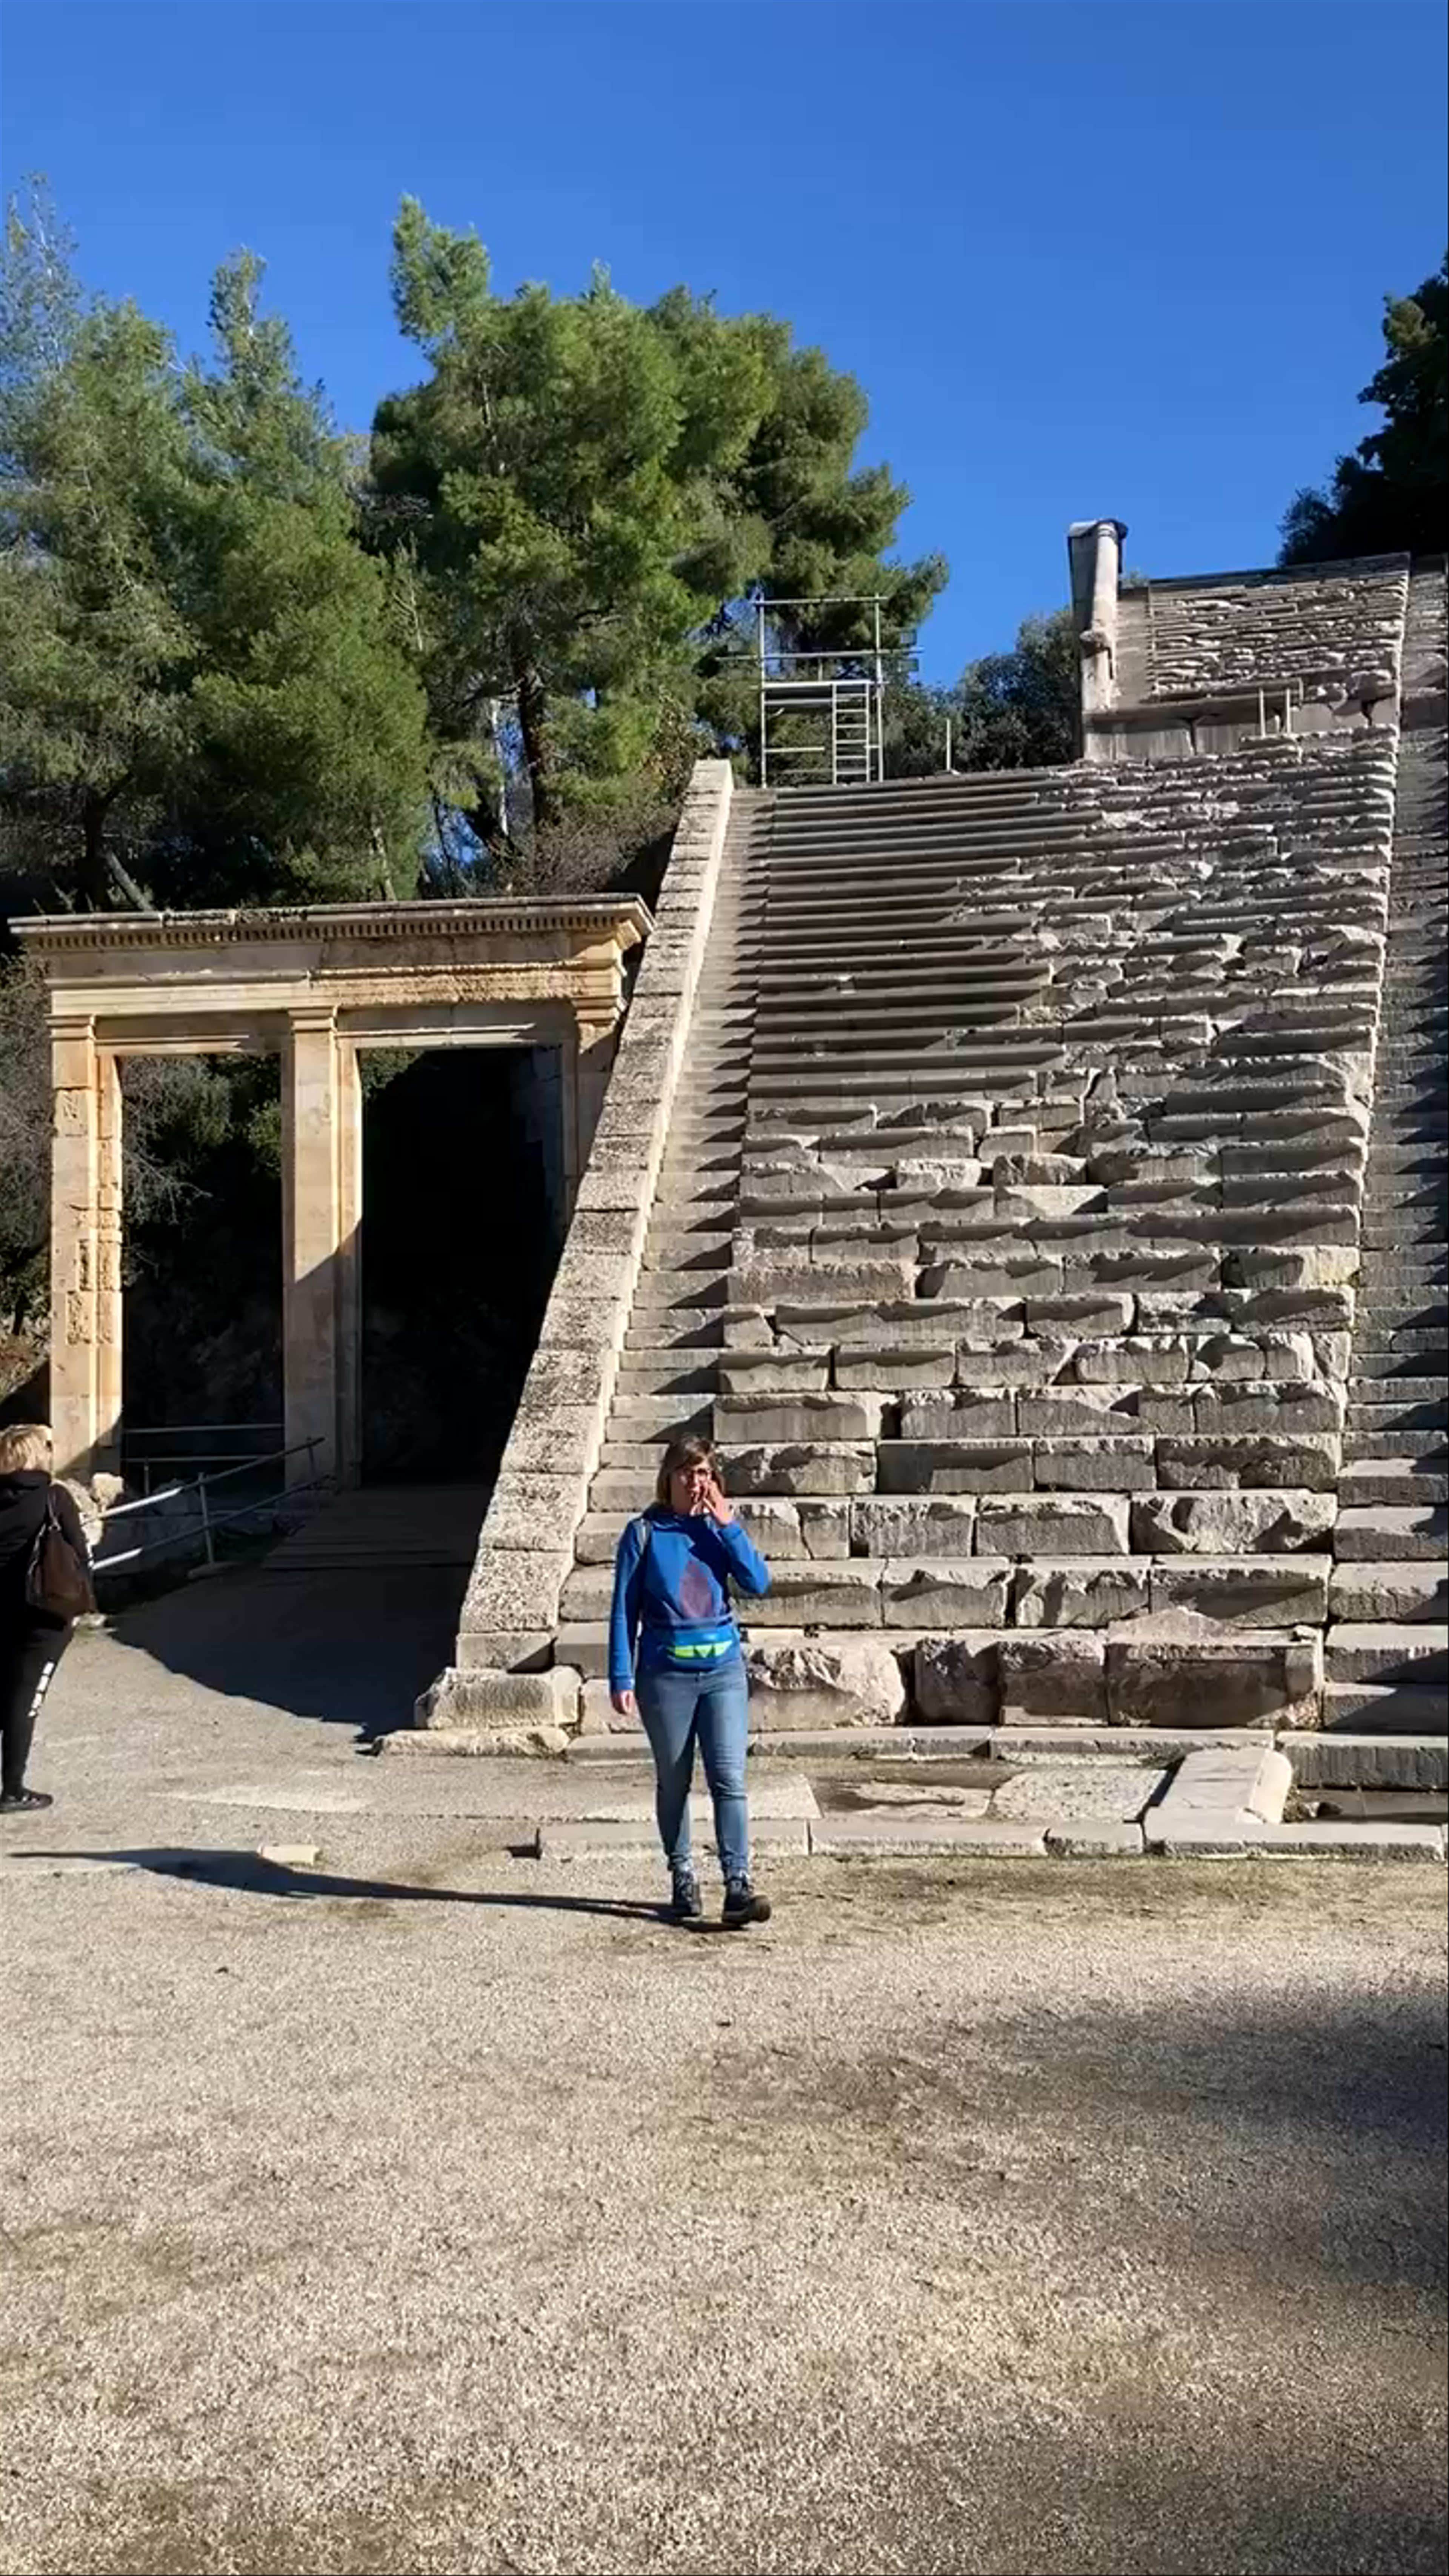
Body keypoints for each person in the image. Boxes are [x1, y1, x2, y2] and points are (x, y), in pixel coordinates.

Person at [609, 1433, 773, 1927]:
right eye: (686, 1471)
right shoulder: (643, 1533)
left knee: (730, 1779)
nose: (695, 1481)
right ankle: (682, 1873)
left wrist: (729, 1526)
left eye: (703, 1472)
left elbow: (758, 1582)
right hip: (665, 1676)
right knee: (675, 1780)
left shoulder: (718, 1530)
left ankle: (738, 1884)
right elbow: (624, 1609)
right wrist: (620, 1673)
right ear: (670, 1476)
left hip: (723, 1673)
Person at [0, 1422, 90, 1815]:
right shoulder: (54, 1497)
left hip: (2, 1612)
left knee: (5, 1693)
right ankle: (12, 1789)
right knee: (25, 1700)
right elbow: (80, 1554)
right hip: (45, 1615)